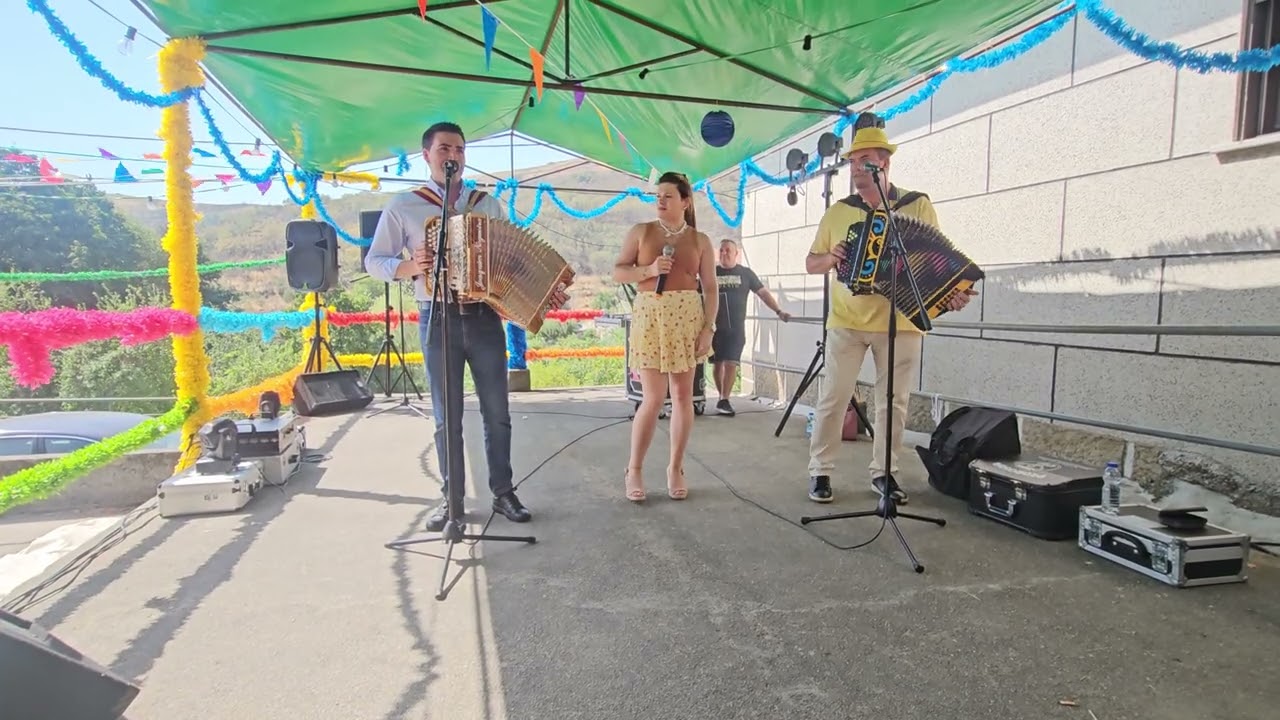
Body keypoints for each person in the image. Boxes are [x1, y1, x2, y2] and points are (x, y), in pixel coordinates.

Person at [364, 121, 567, 531]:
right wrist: (410, 265)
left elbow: (508, 263)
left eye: (458, 148)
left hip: (484, 317)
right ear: (427, 155)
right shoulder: (404, 205)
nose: (452, 155)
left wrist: (542, 291)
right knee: (446, 416)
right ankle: (452, 500)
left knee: (498, 412)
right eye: (444, 149)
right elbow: (375, 261)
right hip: (436, 316)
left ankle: (503, 492)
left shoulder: (485, 203)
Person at [804, 119, 976, 505]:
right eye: (852, 161)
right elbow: (811, 262)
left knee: (894, 402)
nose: (855, 168)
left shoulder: (916, 205)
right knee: (834, 396)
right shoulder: (838, 212)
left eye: (864, 160)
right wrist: (830, 257)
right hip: (847, 321)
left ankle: (884, 474)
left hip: (902, 323)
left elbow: (934, 261)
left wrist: (950, 293)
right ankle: (820, 471)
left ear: (884, 164)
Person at [613, 171, 718, 502]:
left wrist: (708, 328)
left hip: (688, 317)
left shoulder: (701, 240)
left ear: (685, 202)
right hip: (651, 317)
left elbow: (711, 288)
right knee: (653, 398)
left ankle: (675, 466)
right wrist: (648, 270)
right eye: (658, 195)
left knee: (683, 397)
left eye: (668, 195)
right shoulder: (641, 232)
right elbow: (618, 272)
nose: (660, 200)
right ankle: (634, 469)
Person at [710, 238, 790, 416]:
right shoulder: (711, 272)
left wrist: (778, 311)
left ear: (736, 253)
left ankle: (724, 399)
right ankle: (721, 397)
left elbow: (763, 293)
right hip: (714, 327)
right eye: (721, 250)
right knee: (717, 363)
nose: (723, 253)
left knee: (731, 362)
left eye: (727, 250)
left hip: (736, 328)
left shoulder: (746, 274)